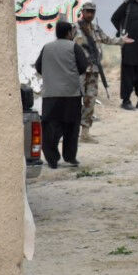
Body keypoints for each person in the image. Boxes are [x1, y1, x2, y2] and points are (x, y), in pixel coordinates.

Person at [74, 1, 133, 142]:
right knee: (74, 101)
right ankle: (70, 133)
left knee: (90, 101)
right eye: (88, 11)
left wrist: (121, 40)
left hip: (93, 70)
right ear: (82, 12)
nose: (90, 14)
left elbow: (107, 39)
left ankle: (85, 133)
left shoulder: (96, 28)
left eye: (92, 12)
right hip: (78, 71)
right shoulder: (74, 28)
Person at [34, 21, 88, 168]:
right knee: (71, 127)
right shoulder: (74, 47)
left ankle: (52, 159)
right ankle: (70, 157)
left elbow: (38, 67)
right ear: (69, 33)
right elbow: (83, 66)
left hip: (50, 95)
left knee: (50, 127)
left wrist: (52, 75)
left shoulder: (47, 47)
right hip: (71, 94)